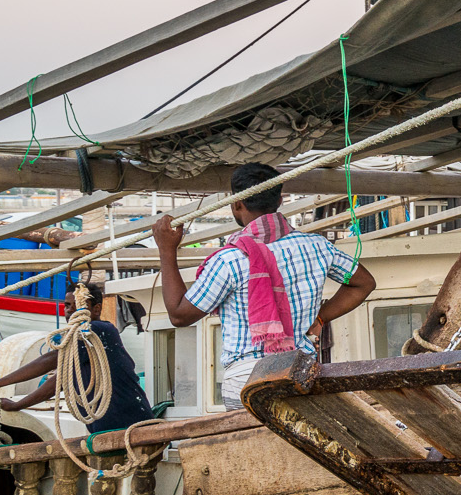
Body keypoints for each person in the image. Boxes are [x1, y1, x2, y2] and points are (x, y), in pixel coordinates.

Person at [152, 161, 376, 407]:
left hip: (247, 381)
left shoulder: (230, 259)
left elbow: (179, 315)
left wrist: (166, 250)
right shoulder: (316, 246)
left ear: (237, 204)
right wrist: (320, 317)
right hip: (300, 373)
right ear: (279, 202)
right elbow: (364, 283)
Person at [0, 282, 159, 434]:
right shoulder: (78, 340)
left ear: (96, 309)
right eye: (67, 305)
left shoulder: (99, 330)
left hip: (130, 423)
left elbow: (53, 358)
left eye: (77, 306)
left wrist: (0, 382)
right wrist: (18, 404)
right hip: (105, 427)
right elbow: (60, 380)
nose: (70, 311)